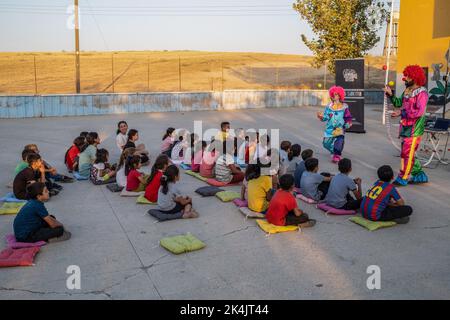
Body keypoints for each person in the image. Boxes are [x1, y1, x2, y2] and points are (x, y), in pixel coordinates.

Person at [383, 65, 429, 186]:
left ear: (415, 77)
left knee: (406, 153)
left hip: (415, 129)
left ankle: (403, 177)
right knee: (408, 152)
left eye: (408, 76)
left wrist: (401, 112)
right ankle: (419, 175)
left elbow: (418, 112)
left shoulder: (422, 93)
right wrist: (390, 94)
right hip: (405, 126)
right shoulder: (407, 91)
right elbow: (398, 103)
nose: (405, 79)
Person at [317, 86, 353, 163]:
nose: (334, 96)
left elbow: (348, 117)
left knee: (339, 142)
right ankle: (335, 151)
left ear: (340, 95)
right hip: (329, 129)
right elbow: (326, 117)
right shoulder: (329, 107)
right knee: (326, 144)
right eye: (333, 94)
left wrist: (348, 123)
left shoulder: (344, 107)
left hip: (340, 129)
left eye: (336, 94)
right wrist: (321, 117)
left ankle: (337, 155)